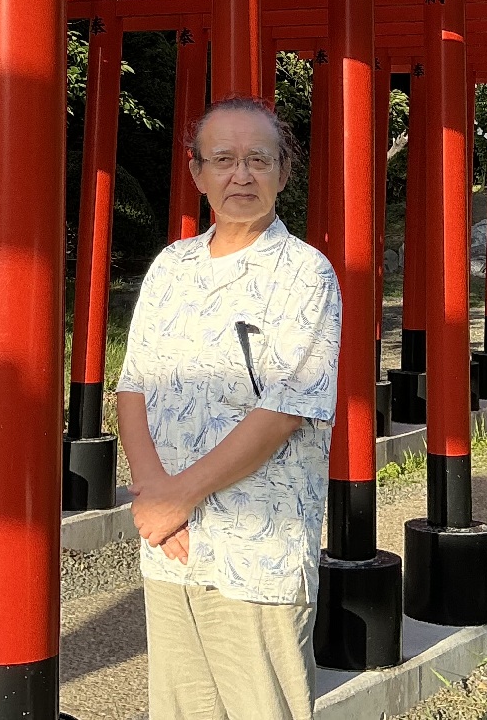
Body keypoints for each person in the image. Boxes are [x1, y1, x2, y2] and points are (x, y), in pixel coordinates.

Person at [115, 95, 342, 720]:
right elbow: (133, 386)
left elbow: (284, 411)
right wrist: (156, 497)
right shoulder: (171, 267)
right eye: (223, 159)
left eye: (257, 160)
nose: (241, 175)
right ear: (197, 174)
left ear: (283, 173)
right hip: (171, 545)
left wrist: (174, 498)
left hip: (257, 549)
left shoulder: (305, 274)